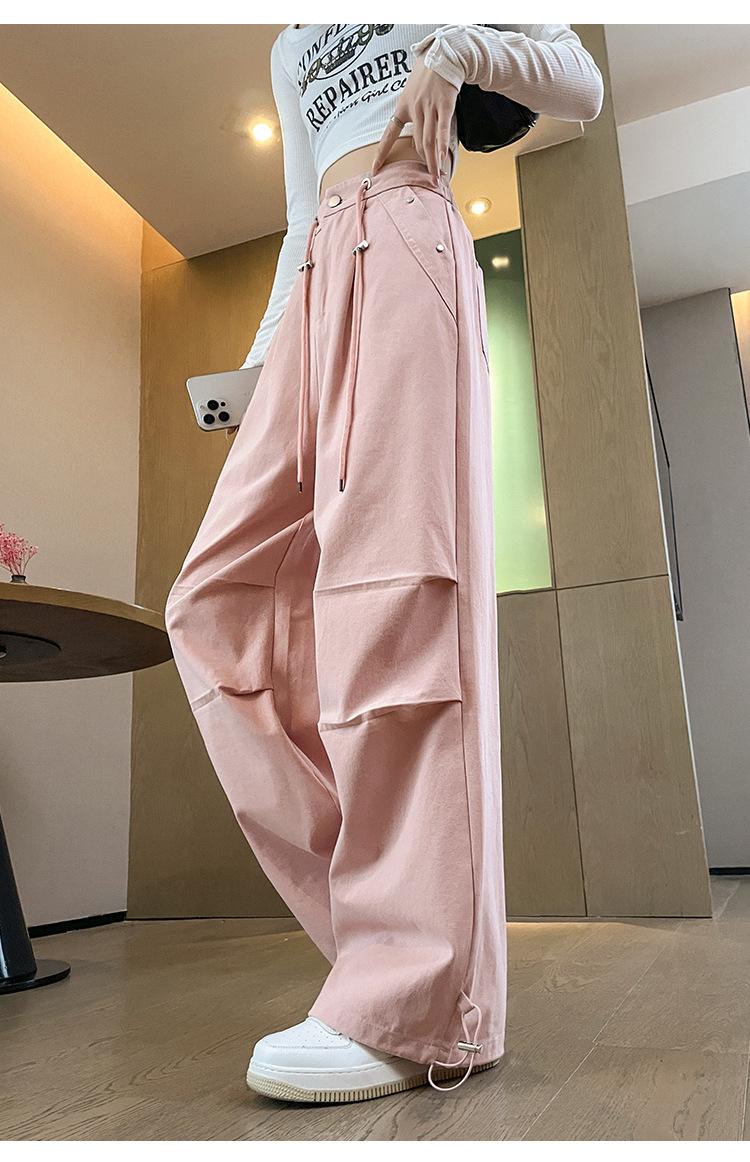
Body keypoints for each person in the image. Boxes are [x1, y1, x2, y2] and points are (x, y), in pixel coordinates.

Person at [165, 23, 603, 1104]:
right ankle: (389, 940)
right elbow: (298, 218)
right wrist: (265, 373)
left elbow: (578, 82)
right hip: (319, 280)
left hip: (412, 237)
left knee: (400, 604)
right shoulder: (289, 44)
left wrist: (456, 52)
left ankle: (424, 1000)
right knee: (214, 606)